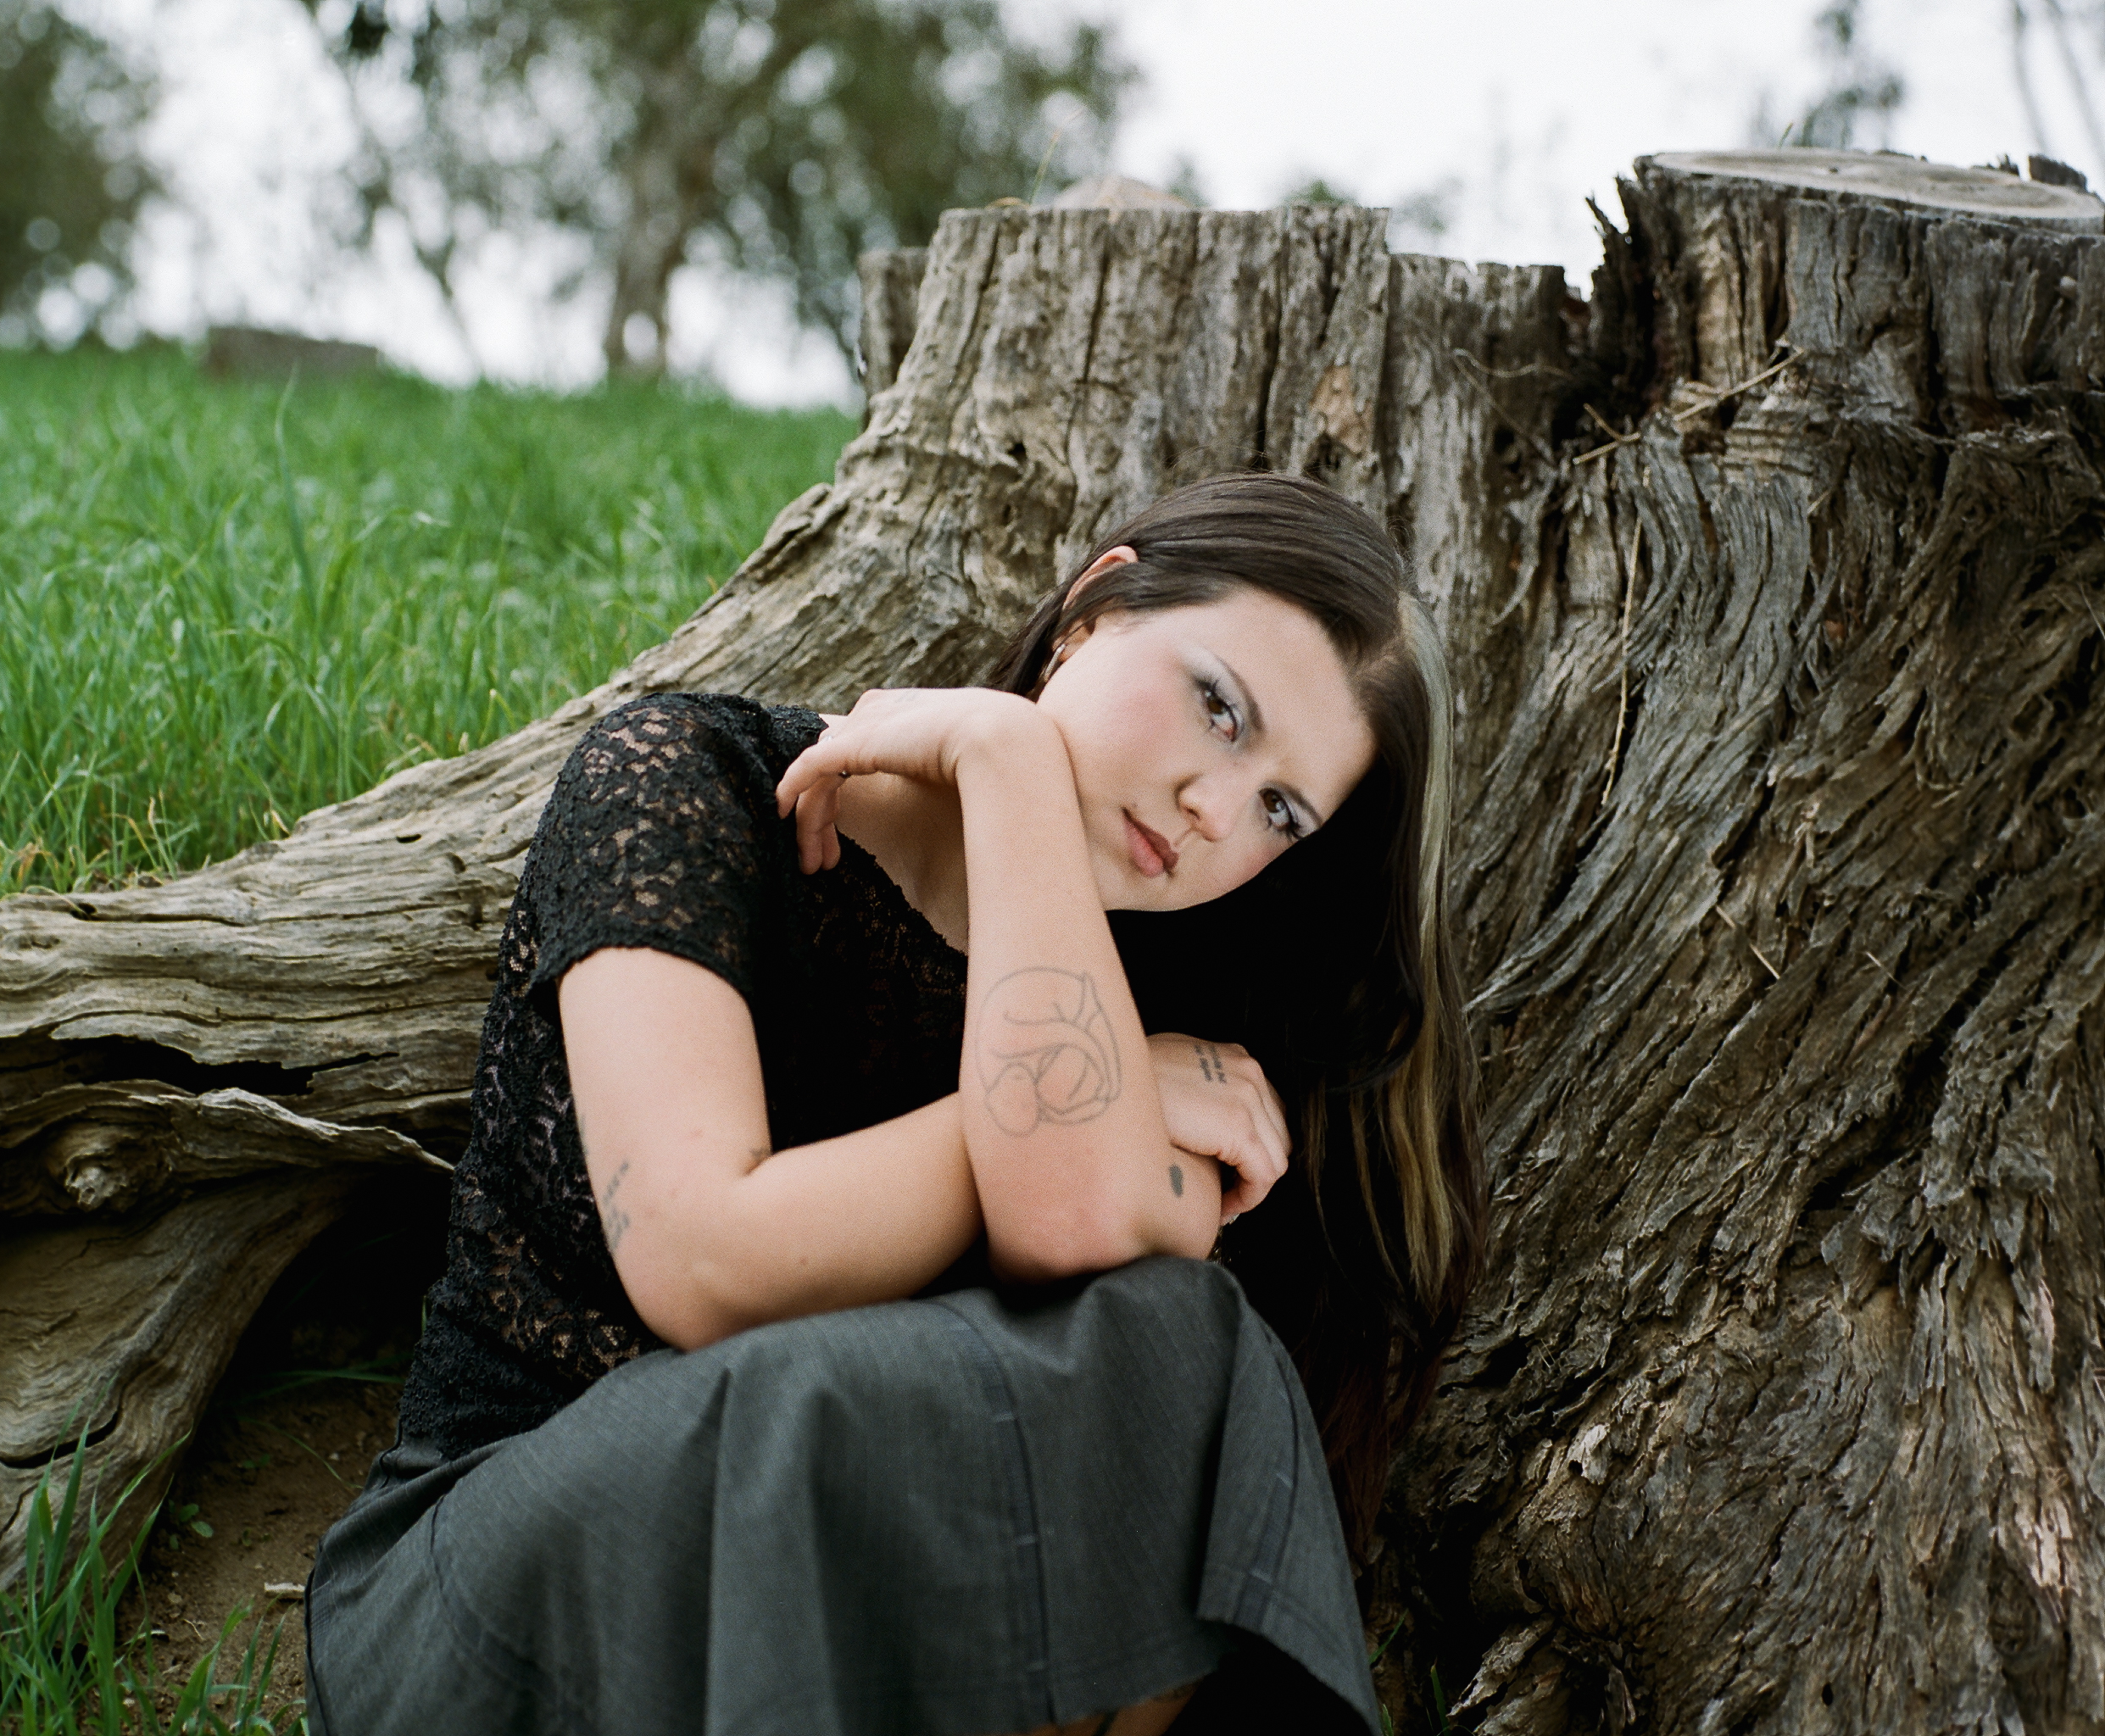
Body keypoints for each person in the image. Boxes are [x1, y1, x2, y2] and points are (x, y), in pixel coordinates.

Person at [304, 471, 1487, 1736]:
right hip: (513, 1573)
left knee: (1192, 1346)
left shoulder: (1194, 1022)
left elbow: (1072, 1227)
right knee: (863, 1404)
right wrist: (1009, 754)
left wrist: (1014, 773)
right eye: (1216, 707)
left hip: (864, 1615)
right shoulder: (689, 782)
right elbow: (702, 1261)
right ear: (1092, 606)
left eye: (1278, 810)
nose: (1213, 807)